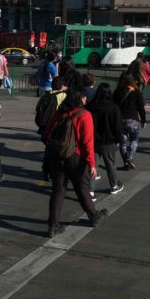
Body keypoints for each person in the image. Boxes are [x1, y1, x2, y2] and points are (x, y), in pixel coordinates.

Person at [43, 90, 107, 237]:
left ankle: (53, 225)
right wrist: (92, 164)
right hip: (76, 157)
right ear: (80, 99)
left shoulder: (59, 114)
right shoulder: (84, 115)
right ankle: (93, 215)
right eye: (84, 98)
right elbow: (87, 142)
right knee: (82, 188)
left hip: (57, 156)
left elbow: (47, 133)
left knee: (58, 190)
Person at [88, 83, 123, 195]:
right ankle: (114, 186)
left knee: (93, 166)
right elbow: (117, 127)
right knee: (110, 164)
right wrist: (118, 140)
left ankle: (90, 190)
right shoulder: (114, 108)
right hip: (109, 141)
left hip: (93, 141)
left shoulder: (90, 107)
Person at [113, 73, 146, 171]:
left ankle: (125, 162)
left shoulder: (117, 92)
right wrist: (143, 120)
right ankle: (129, 158)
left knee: (122, 142)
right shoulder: (136, 92)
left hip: (120, 121)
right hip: (133, 121)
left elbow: (113, 106)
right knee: (134, 140)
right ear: (132, 80)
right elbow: (141, 108)